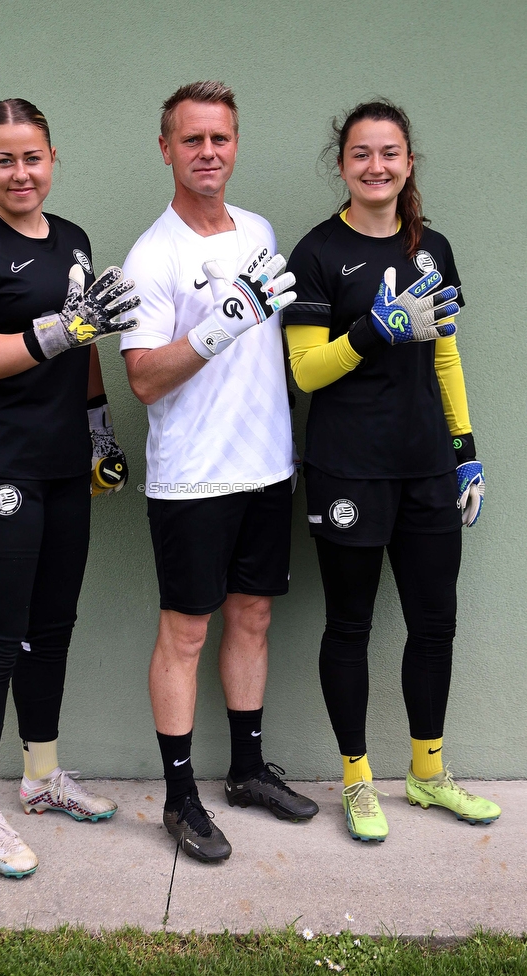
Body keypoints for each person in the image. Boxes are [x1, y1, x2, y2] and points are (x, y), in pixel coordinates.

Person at [0, 98, 140, 878]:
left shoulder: (75, 239)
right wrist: (62, 328)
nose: (22, 173)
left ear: (53, 159)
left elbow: (85, 351)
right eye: (5, 159)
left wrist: (99, 432)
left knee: (50, 627)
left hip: (60, 466)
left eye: (34, 157)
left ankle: (42, 776)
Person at [283, 99, 499, 843]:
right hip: (349, 468)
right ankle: (356, 781)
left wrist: (465, 449)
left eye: (390, 153)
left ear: (408, 162)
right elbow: (307, 371)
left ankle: (428, 773)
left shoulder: (431, 247)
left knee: (435, 622)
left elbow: (444, 352)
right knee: (349, 624)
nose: (376, 166)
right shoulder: (315, 253)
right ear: (342, 164)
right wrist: (374, 331)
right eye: (361, 154)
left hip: (428, 469)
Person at [121, 81, 319, 864]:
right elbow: (142, 379)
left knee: (255, 618)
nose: (208, 152)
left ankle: (245, 772)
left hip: (267, 466)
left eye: (221, 139)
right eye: (192, 139)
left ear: (236, 145)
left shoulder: (260, 230)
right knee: (186, 632)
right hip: (194, 478)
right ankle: (179, 798)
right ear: (166, 148)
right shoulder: (152, 255)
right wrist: (219, 325)